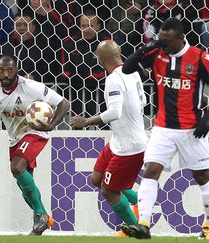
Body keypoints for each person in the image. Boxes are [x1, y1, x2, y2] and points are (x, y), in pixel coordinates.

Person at [120, 18, 209, 240]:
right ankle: (143, 225)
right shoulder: (157, 53)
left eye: (167, 40)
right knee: (150, 171)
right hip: (163, 127)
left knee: (202, 176)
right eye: (161, 39)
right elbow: (127, 68)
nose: (163, 44)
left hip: (191, 129)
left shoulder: (198, 57)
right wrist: (148, 47)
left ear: (180, 38)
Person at [0, 56, 70, 235]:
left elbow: (64, 103)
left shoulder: (31, 87)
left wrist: (52, 124)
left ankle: (40, 214)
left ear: (17, 70)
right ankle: (42, 218)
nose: (6, 74)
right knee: (24, 187)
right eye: (2, 70)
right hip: (15, 138)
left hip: (36, 132)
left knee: (17, 167)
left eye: (10, 70)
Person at [70, 40, 147, 237]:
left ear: (99, 59)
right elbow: (144, 101)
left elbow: (114, 112)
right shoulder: (133, 72)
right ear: (119, 53)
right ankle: (138, 200)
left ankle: (138, 230)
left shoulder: (113, 78)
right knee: (97, 178)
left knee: (109, 191)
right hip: (118, 141)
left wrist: (86, 121)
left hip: (129, 147)